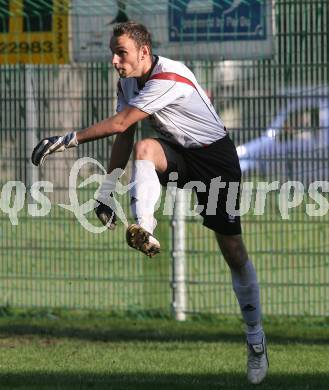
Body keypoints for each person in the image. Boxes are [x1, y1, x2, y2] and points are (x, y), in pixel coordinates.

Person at [31, 21, 269, 384]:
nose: (114, 59)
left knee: (233, 251)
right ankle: (144, 227)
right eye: (113, 52)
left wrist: (67, 139)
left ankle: (255, 339)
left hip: (215, 159)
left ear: (144, 51)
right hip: (177, 153)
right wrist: (106, 190)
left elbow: (121, 121)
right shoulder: (127, 81)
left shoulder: (169, 77)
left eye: (121, 52)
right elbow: (125, 135)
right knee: (144, 147)